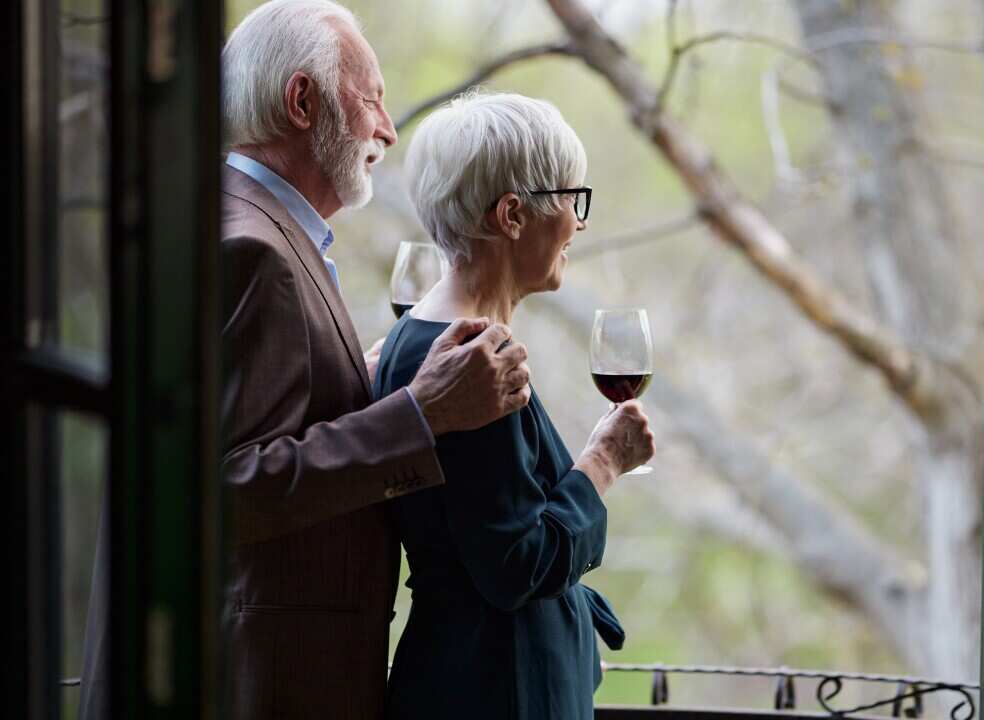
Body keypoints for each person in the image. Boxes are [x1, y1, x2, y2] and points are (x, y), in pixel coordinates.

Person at [75, 2, 536, 719]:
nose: (386, 127)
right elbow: (220, 487)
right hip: (256, 685)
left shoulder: (243, 226)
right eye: (372, 98)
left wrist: (366, 381)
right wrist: (424, 413)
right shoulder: (252, 250)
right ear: (301, 101)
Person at [373, 90, 656, 720]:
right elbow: (515, 565)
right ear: (513, 215)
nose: (579, 223)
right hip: (500, 690)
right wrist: (604, 463)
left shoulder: (417, 336)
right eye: (571, 200)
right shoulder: (472, 358)